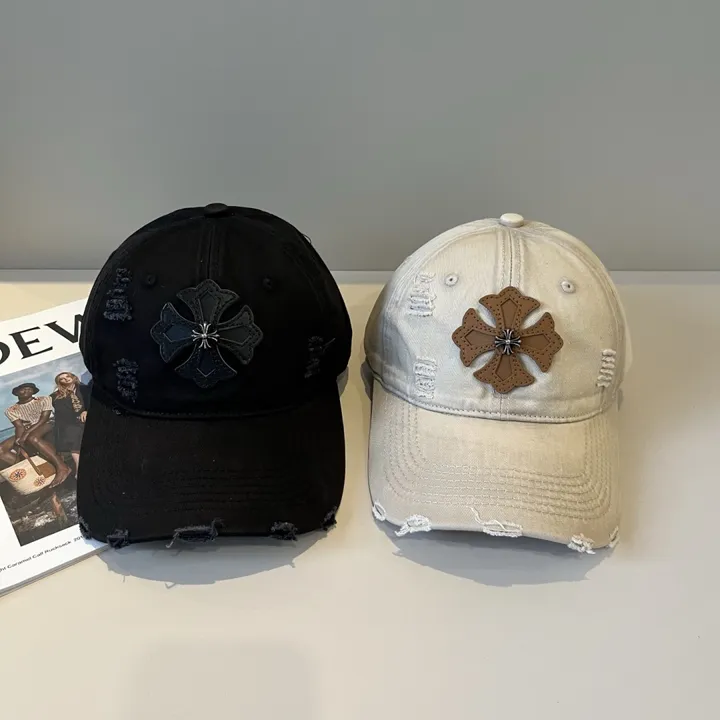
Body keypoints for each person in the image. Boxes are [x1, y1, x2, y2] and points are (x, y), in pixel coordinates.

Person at [0, 383, 71, 486]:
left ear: (33, 391)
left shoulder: (44, 399)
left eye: (30, 389)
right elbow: (19, 426)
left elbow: (44, 419)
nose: (27, 390)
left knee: (32, 438)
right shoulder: (11, 410)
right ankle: (31, 471)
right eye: (23, 389)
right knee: (1, 449)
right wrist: (19, 439)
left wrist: (26, 433)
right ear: (16, 393)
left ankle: (62, 467)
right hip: (27, 429)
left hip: (47, 423)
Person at [51, 372, 90, 474]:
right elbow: (61, 412)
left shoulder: (85, 389)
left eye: (68, 376)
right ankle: (79, 469)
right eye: (62, 378)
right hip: (72, 422)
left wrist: (87, 410)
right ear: (59, 382)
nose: (66, 379)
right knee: (72, 431)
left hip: (89, 417)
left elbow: (93, 401)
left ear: (73, 377)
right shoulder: (57, 396)